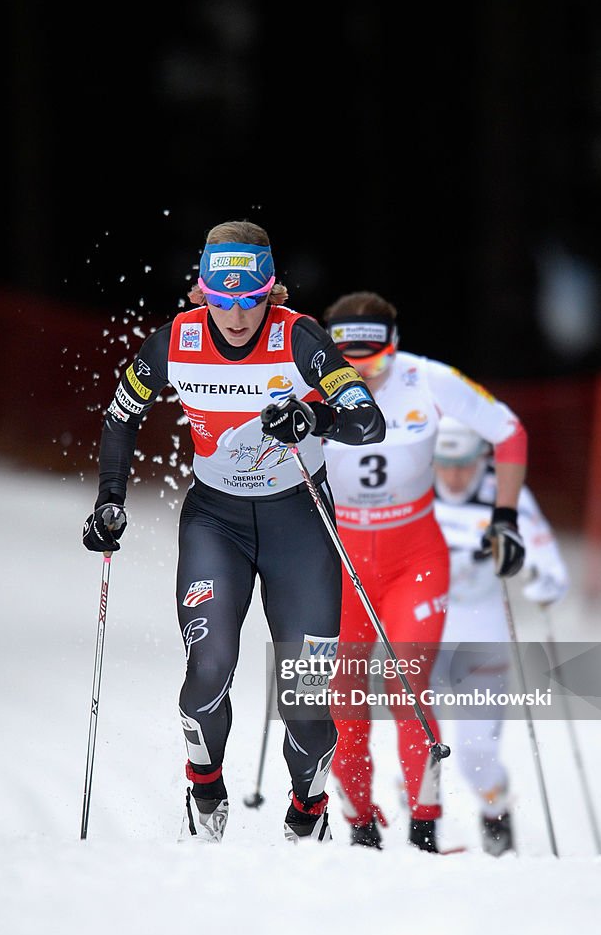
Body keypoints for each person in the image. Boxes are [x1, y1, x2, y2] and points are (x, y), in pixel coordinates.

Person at [82, 221, 385, 845]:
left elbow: (368, 420)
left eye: (249, 300)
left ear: (268, 294)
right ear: (203, 292)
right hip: (215, 522)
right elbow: (122, 415)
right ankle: (205, 783)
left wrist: (312, 415)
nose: (236, 315)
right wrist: (110, 501)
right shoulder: (174, 342)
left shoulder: (300, 337)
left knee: (304, 697)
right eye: (223, 300)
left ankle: (307, 807)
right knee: (207, 671)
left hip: (299, 520)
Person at [320, 291, 528, 852]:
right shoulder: (306, 376)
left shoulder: (428, 379)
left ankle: (423, 827)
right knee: (341, 699)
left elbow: (508, 431)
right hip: (339, 562)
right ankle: (360, 823)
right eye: (348, 363)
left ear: (395, 347)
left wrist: (504, 517)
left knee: (409, 685)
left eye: (376, 360)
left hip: (414, 556)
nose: (362, 374)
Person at [431, 415, 570, 855]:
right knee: (417, 751)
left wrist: (533, 572)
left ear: (484, 459)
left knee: (474, 757)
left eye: (465, 464)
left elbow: (551, 573)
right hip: (421, 632)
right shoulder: (410, 485)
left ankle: (496, 814)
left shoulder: (506, 496)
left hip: (480, 633)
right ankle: (422, 843)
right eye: (443, 463)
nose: (454, 475)